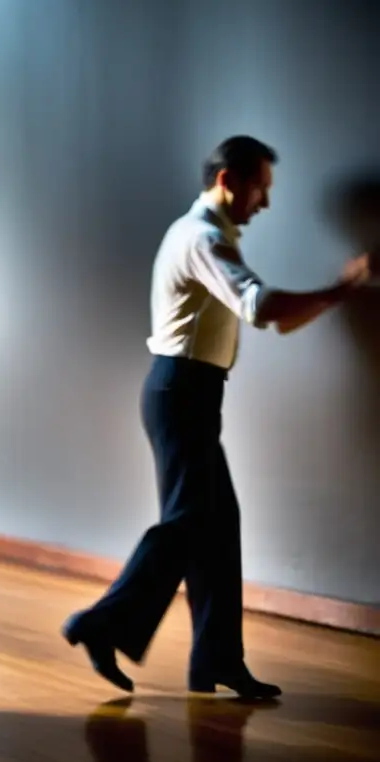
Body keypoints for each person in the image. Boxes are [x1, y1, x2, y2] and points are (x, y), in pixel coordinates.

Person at [61, 135, 373, 699]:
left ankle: (217, 661)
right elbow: (261, 307)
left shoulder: (211, 236)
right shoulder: (202, 238)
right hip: (181, 389)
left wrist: (335, 296)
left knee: (215, 528)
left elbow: (274, 319)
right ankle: (100, 622)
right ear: (228, 179)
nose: (266, 202)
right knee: (187, 522)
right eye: (261, 187)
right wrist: (341, 287)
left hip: (192, 392)